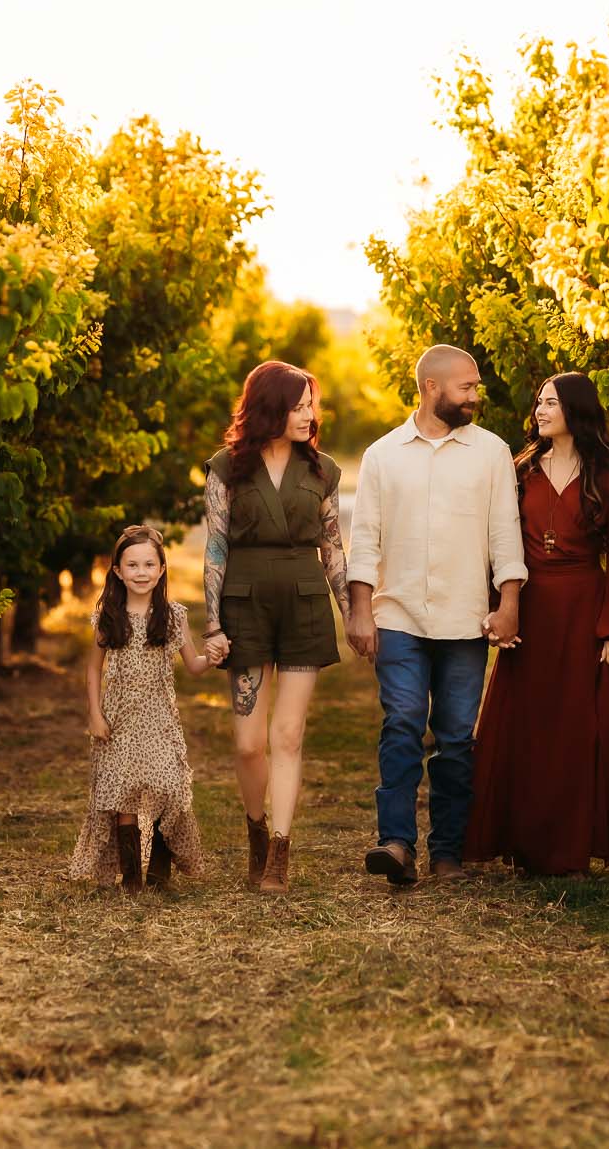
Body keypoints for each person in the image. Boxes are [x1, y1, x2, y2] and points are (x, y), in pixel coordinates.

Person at [347, 345, 526, 886]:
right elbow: (365, 540)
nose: (475, 396)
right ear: (431, 388)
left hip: (465, 620)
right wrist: (360, 610)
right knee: (401, 724)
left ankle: (447, 850)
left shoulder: (491, 452)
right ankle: (397, 843)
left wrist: (509, 602)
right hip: (398, 615)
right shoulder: (383, 455)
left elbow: (504, 534)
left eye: (476, 387)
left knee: (454, 738)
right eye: (466, 387)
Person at [464, 373, 609, 876]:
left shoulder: (607, 474)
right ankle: (520, 844)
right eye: (538, 401)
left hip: (583, 610)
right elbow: (495, 541)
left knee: (573, 727)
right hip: (529, 604)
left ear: (576, 411)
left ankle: (566, 851)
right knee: (522, 724)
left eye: (552, 403)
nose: (540, 411)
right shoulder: (521, 470)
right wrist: (497, 604)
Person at [202, 361, 351, 893]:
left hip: (304, 602)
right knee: (248, 743)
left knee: (287, 735)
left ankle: (281, 855)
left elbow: (332, 547)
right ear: (270, 407)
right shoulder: (226, 469)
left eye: (312, 404)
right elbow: (216, 546)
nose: (310, 414)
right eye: (299, 405)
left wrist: (351, 612)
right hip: (244, 603)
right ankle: (256, 832)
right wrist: (213, 622)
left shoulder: (323, 471)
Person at [68, 525, 217, 891]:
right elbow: (92, 668)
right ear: (117, 571)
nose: (141, 572)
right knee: (122, 792)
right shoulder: (108, 617)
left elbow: (193, 665)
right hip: (118, 719)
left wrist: (211, 658)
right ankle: (132, 877)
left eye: (149, 564)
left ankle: (159, 873)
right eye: (132, 565)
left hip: (159, 717)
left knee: (169, 786)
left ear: (162, 569)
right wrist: (94, 714)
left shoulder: (172, 616)